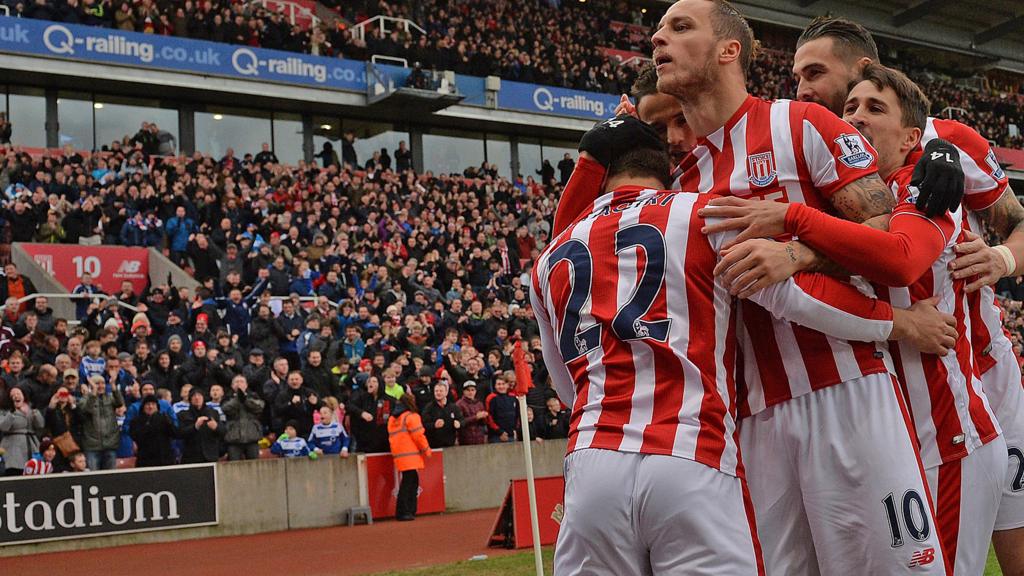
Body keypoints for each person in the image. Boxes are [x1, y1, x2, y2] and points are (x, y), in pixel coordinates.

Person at [531, 113, 953, 575]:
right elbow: (801, 300)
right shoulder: (700, 212)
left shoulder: (550, 257)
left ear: (599, 174)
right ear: (665, 167)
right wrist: (903, 323)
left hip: (592, 463)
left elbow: (566, 386)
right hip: (692, 451)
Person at [635, 2, 954, 573]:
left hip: (848, 391)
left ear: (730, 50)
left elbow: (882, 233)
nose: (659, 38)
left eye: (681, 27)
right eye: (657, 31)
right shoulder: (680, 181)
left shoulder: (800, 123)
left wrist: (798, 249)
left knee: (905, 566)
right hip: (753, 416)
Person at [705, 63, 1006, 576]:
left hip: (946, 432)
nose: (857, 119)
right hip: (888, 429)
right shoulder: (844, 199)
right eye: (850, 109)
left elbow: (900, 257)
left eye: (874, 108)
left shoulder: (926, 183)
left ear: (913, 135)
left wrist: (794, 223)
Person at [791, 17, 1024, 574]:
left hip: (974, 375)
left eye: (817, 74)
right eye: (796, 77)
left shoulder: (947, 145)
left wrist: (1002, 258)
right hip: (890, 401)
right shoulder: (816, 158)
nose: (803, 91)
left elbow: (907, 250)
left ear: (865, 71)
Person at [388, 393, 432, 521]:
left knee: (408, 482)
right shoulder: (412, 417)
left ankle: (405, 511)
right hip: (411, 454)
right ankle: (406, 511)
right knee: (410, 483)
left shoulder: (393, 419)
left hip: (399, 454)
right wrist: (426, 450)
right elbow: (419, 436)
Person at [78, 374, 124, 471]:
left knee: (111, 478)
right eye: (97, 383)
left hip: (110, 444)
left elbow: (120, 402)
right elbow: (87, 409)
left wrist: (113, 386)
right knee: (94, 477)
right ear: (91, 385)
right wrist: (93, 393)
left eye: (103, 383)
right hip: (92, 446)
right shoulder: (84, 399)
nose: (100, 386)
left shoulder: (110, 398)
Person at [0, 387, 45, 475]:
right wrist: (12, 412)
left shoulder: (31, 409)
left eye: (19, 393)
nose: (16, 396)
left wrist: (34, 413)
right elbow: (3, 427)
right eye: (13, 395)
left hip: (31, 444)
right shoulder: (5, 412)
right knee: (16, 470)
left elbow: (40, 425)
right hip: (13, 446)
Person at [222, 374, 265, 461]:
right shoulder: (227, 397)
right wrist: (237, 398)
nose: (239, 384)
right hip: (233, 437)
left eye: (241, 382)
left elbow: (259, 407)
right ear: (232, 385)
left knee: (254, 464)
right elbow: (226, 408)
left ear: (246, 385)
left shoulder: (254, 395)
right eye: (236, 382)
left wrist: (245, 399)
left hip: (252, 436)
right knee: (233, 465)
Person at [177, 388, 224, 464]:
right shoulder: (183, 415)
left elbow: (223, 431)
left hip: (210, 456)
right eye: (194, 396)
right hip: (191, 456)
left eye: (199, 395)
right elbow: (179, 433)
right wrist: (195, 426)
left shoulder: (213, 413)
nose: (197, 398)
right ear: (190, 399)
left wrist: (216, 427)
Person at [346, 375, 391, 453]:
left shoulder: (389, 400)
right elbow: (349, 406)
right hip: (365, 441)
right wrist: (362, 413)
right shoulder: (362, 398)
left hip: (383, 441)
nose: (371, 383)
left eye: (374, 381)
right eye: (369, 381)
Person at [129, 395, 176, 467]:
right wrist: (150, 424)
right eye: (148, 404)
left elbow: (174, 433)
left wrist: (169, 423)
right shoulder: (136, 421)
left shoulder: (164, 418)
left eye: (153, 404)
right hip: (145, 460)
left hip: (164, 459)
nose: (150, 407)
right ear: (143, 406)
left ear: (157, 407)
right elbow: (136, 436)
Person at [421, 381, 463, 448]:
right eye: (436, 391)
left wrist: (459, 423)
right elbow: (424, 424)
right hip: (434, 445)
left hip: (450, 445)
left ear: (446, 392)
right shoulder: (429, 408)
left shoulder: (453, 407)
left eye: (441, 391)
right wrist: (434, 425)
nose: (438, 393)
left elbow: (462, 420)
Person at [484, 373, 518, 443]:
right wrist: (499, 432)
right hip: (496, 436)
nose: (501, 386)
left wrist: (515, 429)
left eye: (503, 384)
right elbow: (489, 417)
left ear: (507, 385)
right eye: (499, 384)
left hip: (511, 435)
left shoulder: (513, 397)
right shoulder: (491, 398)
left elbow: (517, 415)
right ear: (495, 386)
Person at [455, 380, 487, 446]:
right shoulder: (459, 404)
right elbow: (460, 422)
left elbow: (483, 423)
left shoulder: (479, 403)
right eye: (468, 390)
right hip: (465, 440)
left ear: (475, 391)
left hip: (479, 439)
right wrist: (476, 417)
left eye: (472, 390)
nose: (470, 392)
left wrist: (484, 417)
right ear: (464, 391)